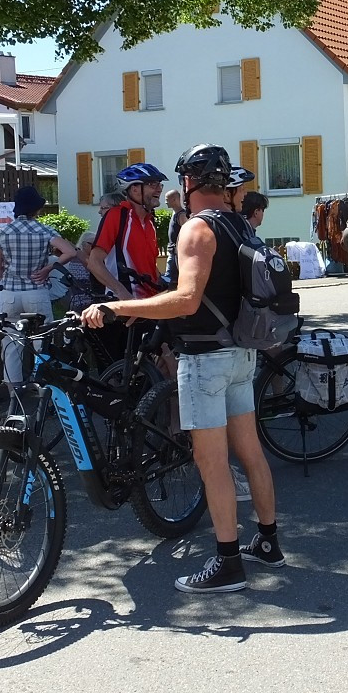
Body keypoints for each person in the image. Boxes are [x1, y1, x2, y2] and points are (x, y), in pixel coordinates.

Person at [83, 144, 280, 593]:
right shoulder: (240, 226)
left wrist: (119, 307)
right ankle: (268, 542)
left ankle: (228, 563)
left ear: (187, 183)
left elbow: (187, 299)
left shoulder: (196, 230)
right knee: (250, 453)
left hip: (205, 358)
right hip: (240, 354)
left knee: (211, 463)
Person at [0, 186, 76, 385]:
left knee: (11, 343)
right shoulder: (43, 230)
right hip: (37, 292)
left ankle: (14, 391)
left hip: (10, 293)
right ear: (36, 209)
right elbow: (70, 251)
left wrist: (6, 277)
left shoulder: (3, 231)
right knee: (42, 342)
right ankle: (43, 389)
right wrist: (47, 269)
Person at [88, 163, 167, 300]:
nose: (159, 189)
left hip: (149, 304)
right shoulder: (117, 216)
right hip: (125, 307)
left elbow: (148, 265)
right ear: (135, 189)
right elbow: (94, 263)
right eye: (153, 185)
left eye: (160, 185)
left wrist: (165, 285)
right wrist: (121, 292)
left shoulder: (149, 221)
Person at [163, 188, 187, 285]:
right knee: (169, 278)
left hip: (175, 254)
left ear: (174, 199)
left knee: (171, 280)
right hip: (172, 253)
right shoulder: (175, 213)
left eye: (167, 199)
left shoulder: (181, 215)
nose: (165, 202)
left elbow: (186, 234)